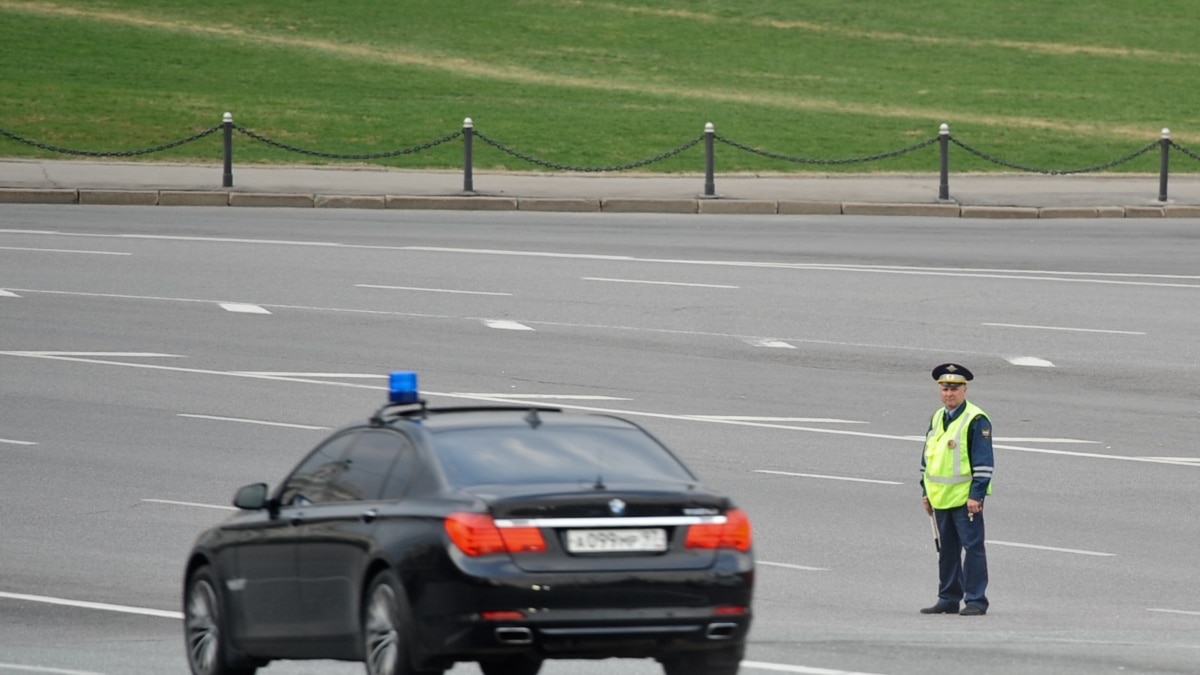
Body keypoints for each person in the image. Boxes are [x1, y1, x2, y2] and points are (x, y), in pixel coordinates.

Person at [919, 363, 993, 616]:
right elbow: (928, 456)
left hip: (965, 499)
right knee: (947, 550)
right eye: (945, 388)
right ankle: (948, 597)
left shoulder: (976, 419)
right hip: (940, 497)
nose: (949, 393)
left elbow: (983, 462)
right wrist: (925, 492)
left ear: (965, 389)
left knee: (973, 548)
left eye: (954, 388)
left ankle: (976, 600)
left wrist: (977, 495)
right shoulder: (938, 417)